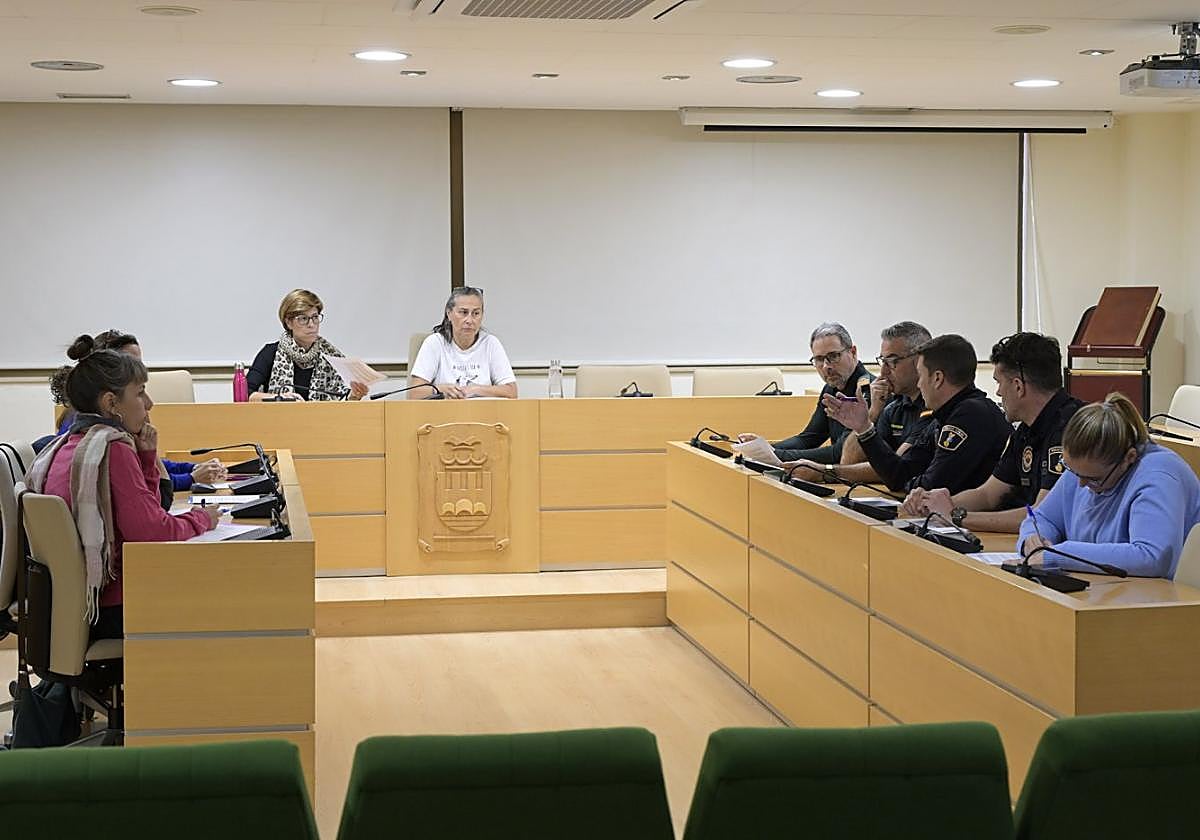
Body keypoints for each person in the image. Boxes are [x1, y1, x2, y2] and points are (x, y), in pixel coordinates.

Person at [26, 335, 220, 642]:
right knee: (214, 594)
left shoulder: (71, 442)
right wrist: (202, 518)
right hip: (109, 606)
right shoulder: (112, 448)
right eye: (140, 393)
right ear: (111, 403)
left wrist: (146, 457)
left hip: (70, 605)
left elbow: (149, 511)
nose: (149, 404)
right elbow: (152, 532)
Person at [902, 332, 1083, 532]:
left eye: (999, 382)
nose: (998, 392)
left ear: (1018, 386)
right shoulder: (1026, 429)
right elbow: (988, 495)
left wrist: (957, 516)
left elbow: (1042, 516)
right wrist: (931, 504)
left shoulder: (1071, 429)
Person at [1017, 393, 1200, 579]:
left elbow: (1152, 557)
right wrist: (1032, 540)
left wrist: (1059, 555)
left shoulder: (1159, 476)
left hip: (1164, 593)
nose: (1081, 484)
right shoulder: (1085, 467)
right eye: (1072, 471)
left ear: (1129, 458)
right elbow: (1042, 518)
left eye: (1093, 479)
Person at [821, 334, 1011, 494]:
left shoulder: (971, 415)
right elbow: (899, 475)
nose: (919, 384)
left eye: (921, 376)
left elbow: (931, 486)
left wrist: (909, 484)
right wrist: (864, 428)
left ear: (937, 378)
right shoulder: (942, 416)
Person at [49, 329, 226, 491]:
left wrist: (191, 468)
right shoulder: (105, 441)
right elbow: (141, 488)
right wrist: (191, 478)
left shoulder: (106, 424)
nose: (149, 403)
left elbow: (147, 468)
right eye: (130, 363)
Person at [786, 321, 933, 484]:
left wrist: (823, 472)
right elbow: (849, 462)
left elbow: (897, 469)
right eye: (882, 361)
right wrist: (868, 419)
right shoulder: (893, 406)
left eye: (892, 361)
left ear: (920, 361)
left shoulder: (933, 407)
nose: (883, 371)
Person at [738, 323, 872, 465]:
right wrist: (765, 449)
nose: (826, 366)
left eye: (833, 356)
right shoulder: (831, 388)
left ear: (853, 352)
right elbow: (808, 439)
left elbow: (838, 453)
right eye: (819, 359)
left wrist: (776, 454)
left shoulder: (867, 392)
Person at [247, 289, 368, 402]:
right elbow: (245, 394)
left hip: (323, 418)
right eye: (303, 318)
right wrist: (279, 398)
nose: (311, 324)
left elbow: (342, 402)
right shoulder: (270, 353)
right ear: (288, 322)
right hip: (280, 417)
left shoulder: (331, 356)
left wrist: (354, 396)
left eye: (315, 317)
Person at [409, 286, 517, 399]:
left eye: (476, 313)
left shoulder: (490, 343)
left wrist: (475, 390)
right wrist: (440, 390)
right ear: (449, 313)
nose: (469, 320)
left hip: (482, 409)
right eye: (463, 312)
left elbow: (511, 391)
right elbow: (414, 393)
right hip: (444, 409)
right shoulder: (434, 343)